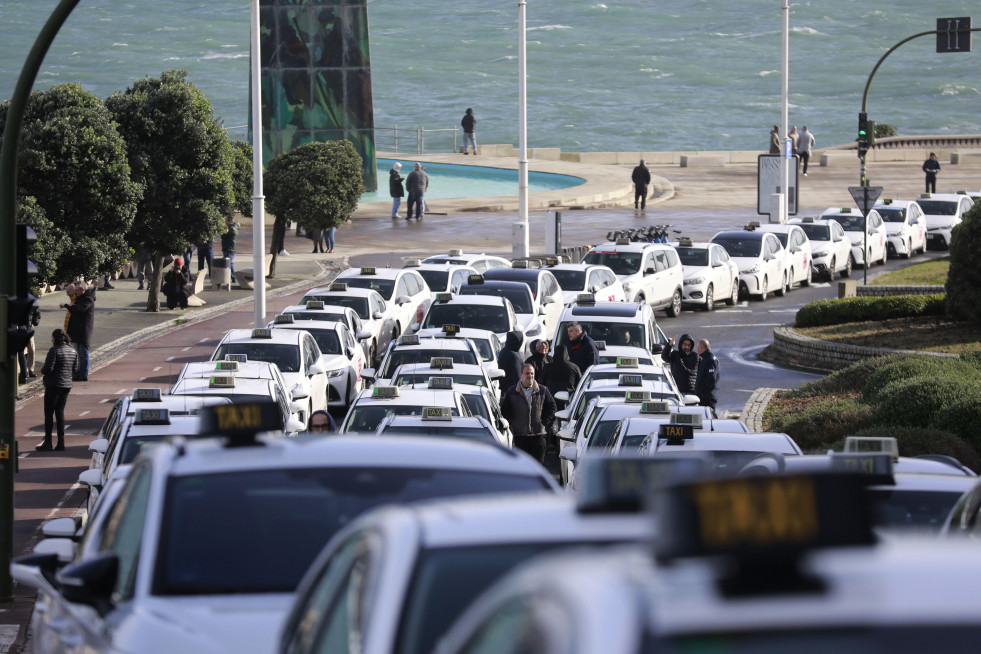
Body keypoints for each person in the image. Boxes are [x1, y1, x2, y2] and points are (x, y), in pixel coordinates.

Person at [499, 364, 556, 463]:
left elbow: (552, 407)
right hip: (520, 437)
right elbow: (504, 411)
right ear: (521, 374)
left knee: (538, 469)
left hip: (538, 436)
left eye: (532, 373)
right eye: (527, 373)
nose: (530, 376)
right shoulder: (512, 392)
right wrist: (512, 425)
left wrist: (545, 423)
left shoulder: (543, 390)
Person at [36, 329, 78, 452]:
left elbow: (48, 368)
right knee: (60, 412)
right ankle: (61, 442)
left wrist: (44, 372)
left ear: (55, 338)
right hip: (66, 385)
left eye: (52, 338)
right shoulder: (72, 350)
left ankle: (48, 441)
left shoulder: (54, 350)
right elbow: (76, 368)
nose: (51, 340)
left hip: (53, 384)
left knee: (49, 413)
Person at [63, 281, 95, 382]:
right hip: (76, 330)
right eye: (75, 290)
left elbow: (79, 309)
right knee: (78, 353)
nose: (75, 292)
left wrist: (67, 306)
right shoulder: (79, 298)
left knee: (83, 353)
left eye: (77, 290)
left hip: (83, 330)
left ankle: (83, 374)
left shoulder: (87, 299)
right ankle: (78, 373)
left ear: (83, 290)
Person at [539, 344, 581, 410]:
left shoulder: (548, 367)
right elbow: (580, 383)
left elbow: (541, 382)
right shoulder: (574, 367)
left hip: (550, 399)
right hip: (568, 399)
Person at [694, 338, 720, 414]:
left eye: (698, 349)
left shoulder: (710, 360)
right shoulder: (706, 359)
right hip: (705, 398)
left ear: (701, 348)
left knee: (708, 420)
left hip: (707, 399)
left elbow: (710, 380)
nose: (697, 351)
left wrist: (701, 394)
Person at [220, 217, 239, 284]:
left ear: (229, 221)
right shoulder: (232, 228)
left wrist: (223, 232)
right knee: (229, 262)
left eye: (226, 221)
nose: (225, 222)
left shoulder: (231, 229)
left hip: (229, 248)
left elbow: (223, 236)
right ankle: (232, 277)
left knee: (229, 263)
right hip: (229, 248)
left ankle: (233, 277)